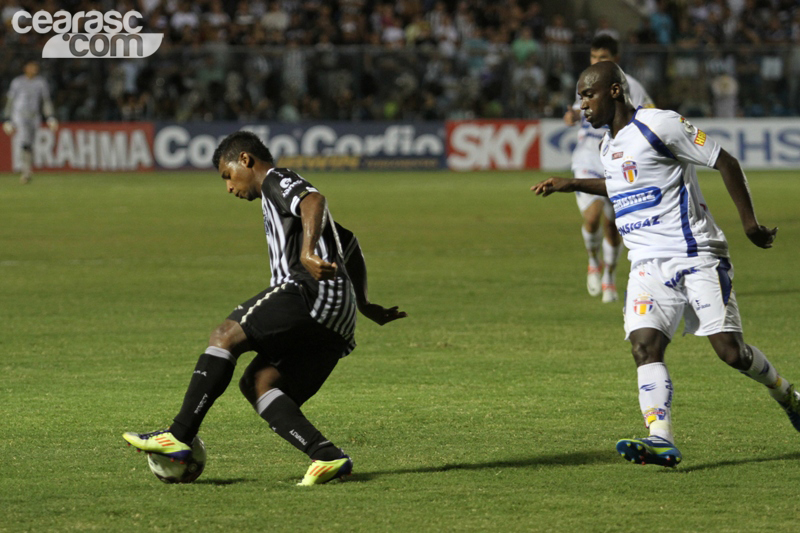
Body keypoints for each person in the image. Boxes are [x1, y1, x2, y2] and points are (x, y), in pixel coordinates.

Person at [532, 61, 800, 467]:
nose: (581, 105)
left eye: (588, 95)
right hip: (645, 263)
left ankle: (785, 393)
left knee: (731, 353)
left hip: (696, 255)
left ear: (615, 91)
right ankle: (660, 438)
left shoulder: (660, 124)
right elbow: (623, 183)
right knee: (644, 346)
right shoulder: (607, 145)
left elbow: (724, 160)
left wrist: (749, 224)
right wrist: (571, 183)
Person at [123, 131, 406, 485]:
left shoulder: (275, 179)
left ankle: (178, 435)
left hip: (311, 291)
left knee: (224, 336)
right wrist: (362, 303)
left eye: (227, 176)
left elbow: (314, 200)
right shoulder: (276, 201)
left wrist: (306, 253)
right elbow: (348, 241)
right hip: (337, 318)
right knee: (259, 382)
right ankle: (326, 455)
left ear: (245, 160)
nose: (229, 187)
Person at [562, 35, 654, 303]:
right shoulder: (586, 80)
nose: (596, 62)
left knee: (613, 226)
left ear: (616, 58)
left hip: (618, 159)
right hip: (587, 158)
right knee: (592, 217)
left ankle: (609, 276)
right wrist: (572, 116)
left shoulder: (632, 86)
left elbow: (650, 113)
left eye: (602, 57)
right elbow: (578, 111)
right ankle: (593, 261)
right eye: (593, 57)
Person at [2, 61, 58, 184]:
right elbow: (10, 100)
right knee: (24, 141)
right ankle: (25, 171)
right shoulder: (17, 82)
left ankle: (27, 169)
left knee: (30, 143)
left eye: (35, 67)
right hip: (19, 115)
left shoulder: (41, 82)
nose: (34, 69)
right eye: (31, 67)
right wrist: (7, 118)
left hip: (34, 116)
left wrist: (50, 116)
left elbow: (45, 100)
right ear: (25, 68)